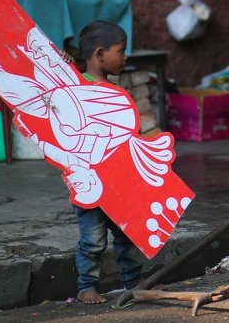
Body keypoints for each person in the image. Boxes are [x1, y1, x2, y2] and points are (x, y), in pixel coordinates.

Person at [71, 20, 144, 304]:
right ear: (100, 54)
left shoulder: (114, 91)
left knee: (126, 234)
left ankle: (134, 282)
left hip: (118, 179)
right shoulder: (75, 86)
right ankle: (86, 286)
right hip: (88, 182)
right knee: (93, 239)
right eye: (121, 51)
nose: (125, 57)